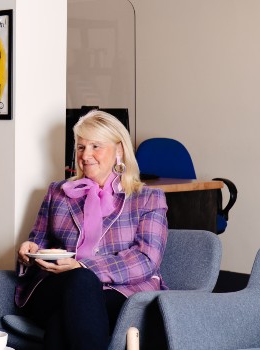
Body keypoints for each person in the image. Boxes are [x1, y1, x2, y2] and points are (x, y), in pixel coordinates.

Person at [15, 110, 168, 350]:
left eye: (96, 146)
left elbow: (146, 259)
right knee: (78, 287)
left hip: (121, 290)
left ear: (119, 150)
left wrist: (85, 267)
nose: (85, 155)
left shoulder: (148, 199)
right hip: (56, 285)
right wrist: (30, 249)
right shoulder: (58, 192)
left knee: (62, 319)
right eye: (80, 147)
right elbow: (39, 240)